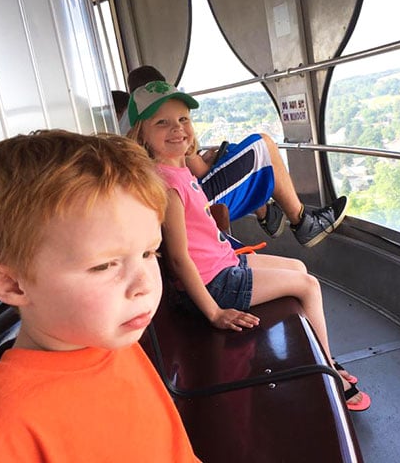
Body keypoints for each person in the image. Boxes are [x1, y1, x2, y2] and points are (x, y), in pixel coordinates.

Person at [0, 130, 200, 462]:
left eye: (150, 253)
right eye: (105, 265)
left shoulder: (118, 345)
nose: (144, 284)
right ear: (11, 285)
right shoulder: (4, 427)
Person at [126, 80, 371, 412]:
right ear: (142, 134)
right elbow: (180, 258)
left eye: (183, 119)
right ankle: (328, 372)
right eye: (162, 123)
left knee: (298, 268)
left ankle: (321, 353)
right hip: (216, 283)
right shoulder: (167, 186)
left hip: (224, 263)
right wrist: (214, 312)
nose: (177, 129)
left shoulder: (177, 169)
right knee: (309, 286)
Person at [125, 65, 348, 248]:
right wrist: (208, 161)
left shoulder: (133, 128)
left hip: (180, 201)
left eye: (182, 119)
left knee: (233, 156)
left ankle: (268, 214)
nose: (175, 124)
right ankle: (303, 223)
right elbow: (199, 171)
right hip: (190, 206)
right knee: (263, 146)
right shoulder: (150, 128)